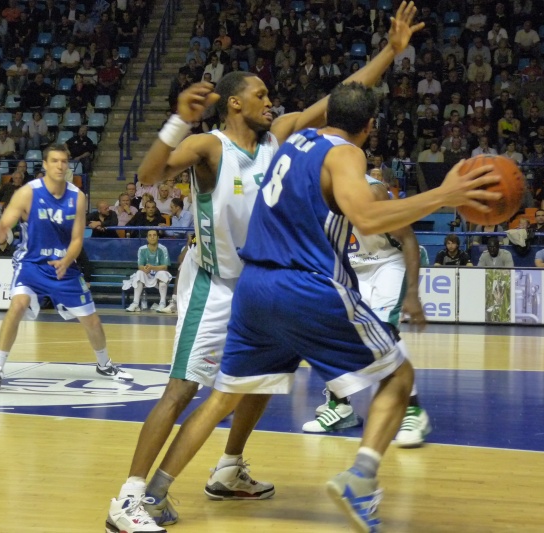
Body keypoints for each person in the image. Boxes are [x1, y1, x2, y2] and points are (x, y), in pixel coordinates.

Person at [106, 4, 431, 530]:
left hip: (260, 283)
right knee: (183, 389)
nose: (271, 100)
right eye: (260, 94)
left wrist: (390, 53)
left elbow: (342, 99)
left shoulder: (281, 135)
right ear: (234, 102)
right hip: (214, 283)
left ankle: (229, 468)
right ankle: (130, 496)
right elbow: (149, 175)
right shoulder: (209, 145)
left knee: (260, 381)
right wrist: (178, 120)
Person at [138, 83, 499, 532]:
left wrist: (389, 51)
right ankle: (361, 478)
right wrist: (445, 195)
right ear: (368, 127)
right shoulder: (345, 153)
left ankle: (154, 494)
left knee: (223, 398)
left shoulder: (291, 143)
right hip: (304, 286)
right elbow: (367, 217)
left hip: (253, 288)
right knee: (399, 375)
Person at [0, 145, 133, 391]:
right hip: (32, 263)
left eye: (64, 161)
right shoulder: (28, 193)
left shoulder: (77, 197)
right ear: (45, 166)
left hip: (64, 266)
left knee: (91, 321)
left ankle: (104, 363)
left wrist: (68, 259)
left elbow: (78, 239)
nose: (60, 165)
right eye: (55, 161)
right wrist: (1, 229)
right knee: (17, 306)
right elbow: (8, 218)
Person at [301, 174, 432, 448]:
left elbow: (408, 239)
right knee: (332, 331)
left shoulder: (372, 193)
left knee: (384, 332)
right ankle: (340, 407)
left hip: (386, 264)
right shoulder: (312, 190)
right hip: (349, 268)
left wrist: (411, 293)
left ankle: (413, 410)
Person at [123, 229, 172, 312]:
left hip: (158, 277)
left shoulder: (163, 249)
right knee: (139, 273)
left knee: (162, 273)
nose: (152, 237)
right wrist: (145, 269)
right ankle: (135, 303)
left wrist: (152, 267)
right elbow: (140, 266)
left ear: (158, 237)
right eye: (150, 235)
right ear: (147, 238)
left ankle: (162, 303)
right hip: (147, 275)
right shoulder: (142, 249)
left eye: (154, 235)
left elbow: (165, 267)